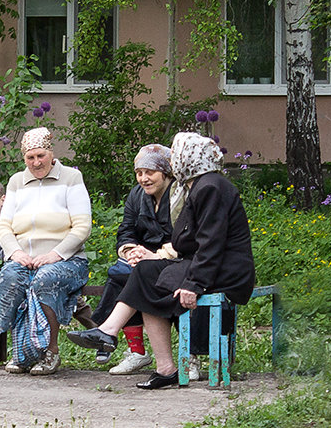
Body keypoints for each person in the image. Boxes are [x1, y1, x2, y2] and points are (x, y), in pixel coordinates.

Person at [68, 132, 255, 390]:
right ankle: (164, 367)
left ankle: (108, 332)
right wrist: (151, 253)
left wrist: (193, 283)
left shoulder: (210, 187)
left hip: (226, 270)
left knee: (148, 276)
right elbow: (187, 239)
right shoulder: (196, 185)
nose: (174, 161)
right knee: (146, 274)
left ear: (190, 158)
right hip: (205, 263)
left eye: (177, 156)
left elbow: (212, 243)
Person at [0, 127, 92, 375]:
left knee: (45, 279)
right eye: (30, 157)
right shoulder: (17, 182)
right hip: (24, 258)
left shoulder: (71, 178)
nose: (36, 162)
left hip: (66, 260)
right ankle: (23, 352)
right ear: (24, 158)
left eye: (41, 155)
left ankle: (51, 351)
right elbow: (4, 226)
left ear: (51, 152)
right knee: (11, 278)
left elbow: (82, 226)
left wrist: (55, 255)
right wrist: (16, 253)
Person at [93, 143, 175, 375]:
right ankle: (136, 351)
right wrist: (130, 250)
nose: (143, 178)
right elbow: (126, 230)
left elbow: (185, 235)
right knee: (119, 274)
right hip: (141, 256)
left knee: (138, 277)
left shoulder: (179, 194)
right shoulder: (136, 195)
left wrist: (156, 255)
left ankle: (107, 333)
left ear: (165, 172)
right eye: (139, 173)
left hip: (172, 257)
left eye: (150, 172)